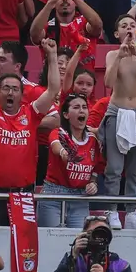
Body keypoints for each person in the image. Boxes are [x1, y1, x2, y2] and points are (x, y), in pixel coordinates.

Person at [0, 28, 59, 219]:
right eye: (6, 89)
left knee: (24, 246)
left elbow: (53, 90)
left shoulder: (32, 113)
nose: (10, 93)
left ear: (22, 94)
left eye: (15, 89)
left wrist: (52, 56)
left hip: (24, 194)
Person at [101, 13, 136, 229]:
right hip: (117, 111)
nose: (128, 29)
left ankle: (132, 212)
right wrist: (120, 56)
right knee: (115, 167)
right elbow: (107, 82)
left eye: (132, 25)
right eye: (123, 26)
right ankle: (112, 210)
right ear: (117, 33)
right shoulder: (112, 54)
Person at [39, 92, 100, 228]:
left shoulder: (93, 140)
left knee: (78, 242)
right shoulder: (59, 133)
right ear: (66, 115)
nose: (81, 110)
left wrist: (93, 183)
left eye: (84, 107)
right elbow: (55, 145)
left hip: (80, 198)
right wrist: (64, 153)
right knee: (51, 241)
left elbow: (95, 169)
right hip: (53, 196)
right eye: (76, 107)